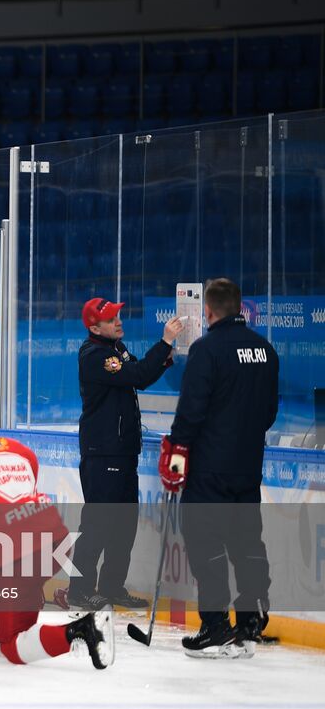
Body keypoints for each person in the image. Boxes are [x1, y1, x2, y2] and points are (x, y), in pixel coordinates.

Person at [0, 401, 114, 670]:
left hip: (17, 554)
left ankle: (81, 630)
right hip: (55, 539)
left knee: (9, 647)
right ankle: (27, 601)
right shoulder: (20, 450)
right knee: (3, 639)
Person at [162, 277, 279, 658]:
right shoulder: (266, 350)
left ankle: (215, 623)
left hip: (211, 468)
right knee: (247, 543)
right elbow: (269, 412)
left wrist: (176, 454)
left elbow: (191, 410)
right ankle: (250, 619)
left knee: (204, 541)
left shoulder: (206, 349)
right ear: (240, 307)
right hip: (248, 467)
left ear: (208, 311)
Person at [71, 297, 183, 611]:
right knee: (97, 524)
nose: (119, 321)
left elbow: (141, 375)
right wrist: (164, 343)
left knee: (123, 524)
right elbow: (135, 375)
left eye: (118, 315)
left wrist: (164, 357)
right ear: (94, 327)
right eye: (111, 319)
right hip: (103, 453)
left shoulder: (115, 349)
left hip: (121, 452)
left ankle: (111, 586)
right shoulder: (96, 356)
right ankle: (79, 590)